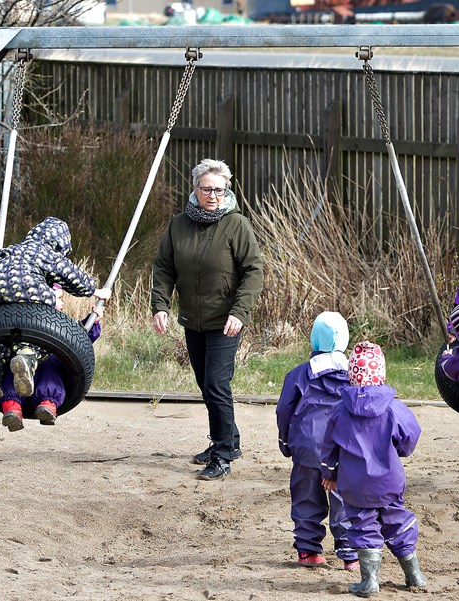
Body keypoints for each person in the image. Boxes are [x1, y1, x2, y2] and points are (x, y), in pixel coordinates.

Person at [151, 158, 263, 482]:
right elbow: (164, 268)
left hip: (226, 320)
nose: (212, 195)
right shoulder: (178, 225)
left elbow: (254, 271)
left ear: (226, 190)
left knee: (216, 384)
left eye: (218, 189)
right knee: (206, 384)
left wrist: (239, 312)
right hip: (192, 320)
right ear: (195, 189)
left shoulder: (236, 225)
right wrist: (160, 305)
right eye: (206, 188)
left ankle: (223, 453)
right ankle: (231, 439)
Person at [320, 342, 427, 597]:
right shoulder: (394, 408)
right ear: (382, 373)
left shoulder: (340, 410)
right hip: (389, 481)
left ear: (351, 375)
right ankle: (415, 575)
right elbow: (411, 435)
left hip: (355, 485)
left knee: (362, 525)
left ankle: (370, 582)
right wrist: (399, 450)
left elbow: (328, 447)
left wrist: (329, 474)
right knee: (397, 522)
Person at [0, 216, 111, 402]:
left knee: (2, 337)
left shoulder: (11, 250)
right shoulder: (44, 251)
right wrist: (94, 290)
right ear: (59, 246)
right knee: (38, 330)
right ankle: (26, 357)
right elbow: (69, 274)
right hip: (24, 290)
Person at [275, 312, 359, 571]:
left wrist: (285, 440)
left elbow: (284, 410)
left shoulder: (299, 374)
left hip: (308, 446)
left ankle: (308, 550)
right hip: (343, 449)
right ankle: (350, 552)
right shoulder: (355, 375)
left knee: (306, 497)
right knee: (345, 499)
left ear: (313, 341)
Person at [0, 287, 105, 431]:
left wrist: (94, 321)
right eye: (59, 299)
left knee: (53, 367)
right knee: (14, 366)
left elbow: (81, 338)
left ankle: (47, 405)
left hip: (47, 377)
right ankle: (12, 409)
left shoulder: (62, 327)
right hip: (21, 378)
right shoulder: (22, 320)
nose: (62, 304)